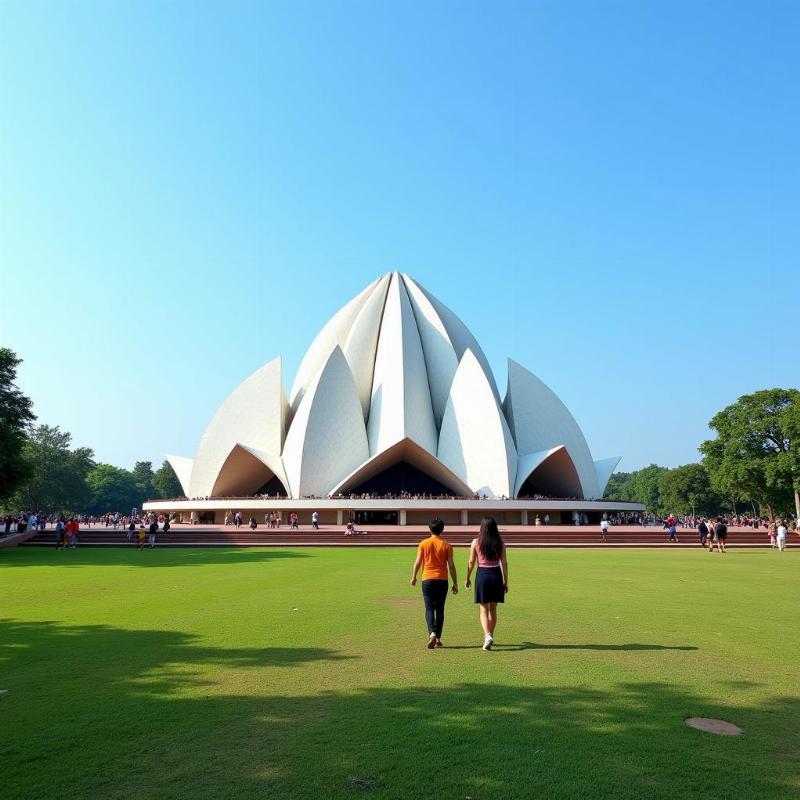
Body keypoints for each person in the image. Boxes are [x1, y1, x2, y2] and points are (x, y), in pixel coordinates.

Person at [410, 518, 458, 649]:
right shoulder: (447, 545)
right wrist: (455, 583)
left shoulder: (423, 543)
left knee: (429, 608)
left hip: (427, 579)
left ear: (429, 529)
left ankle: (432, 633)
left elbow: (418, 562)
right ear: (442, 529)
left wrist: (414, 576)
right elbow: (452, 566)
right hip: (442, 579)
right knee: (440, 609)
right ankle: (437, 637)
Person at [465, 516, 508, 651]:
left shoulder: (476, 542)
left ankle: (487, 635)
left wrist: (467, 577)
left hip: (482, 574)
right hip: (496, 574)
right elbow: (504, 563)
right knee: (493, 609)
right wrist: (506, 581)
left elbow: (471, 562)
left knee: (483, 608)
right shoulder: (500, 543)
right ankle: (490, 635)